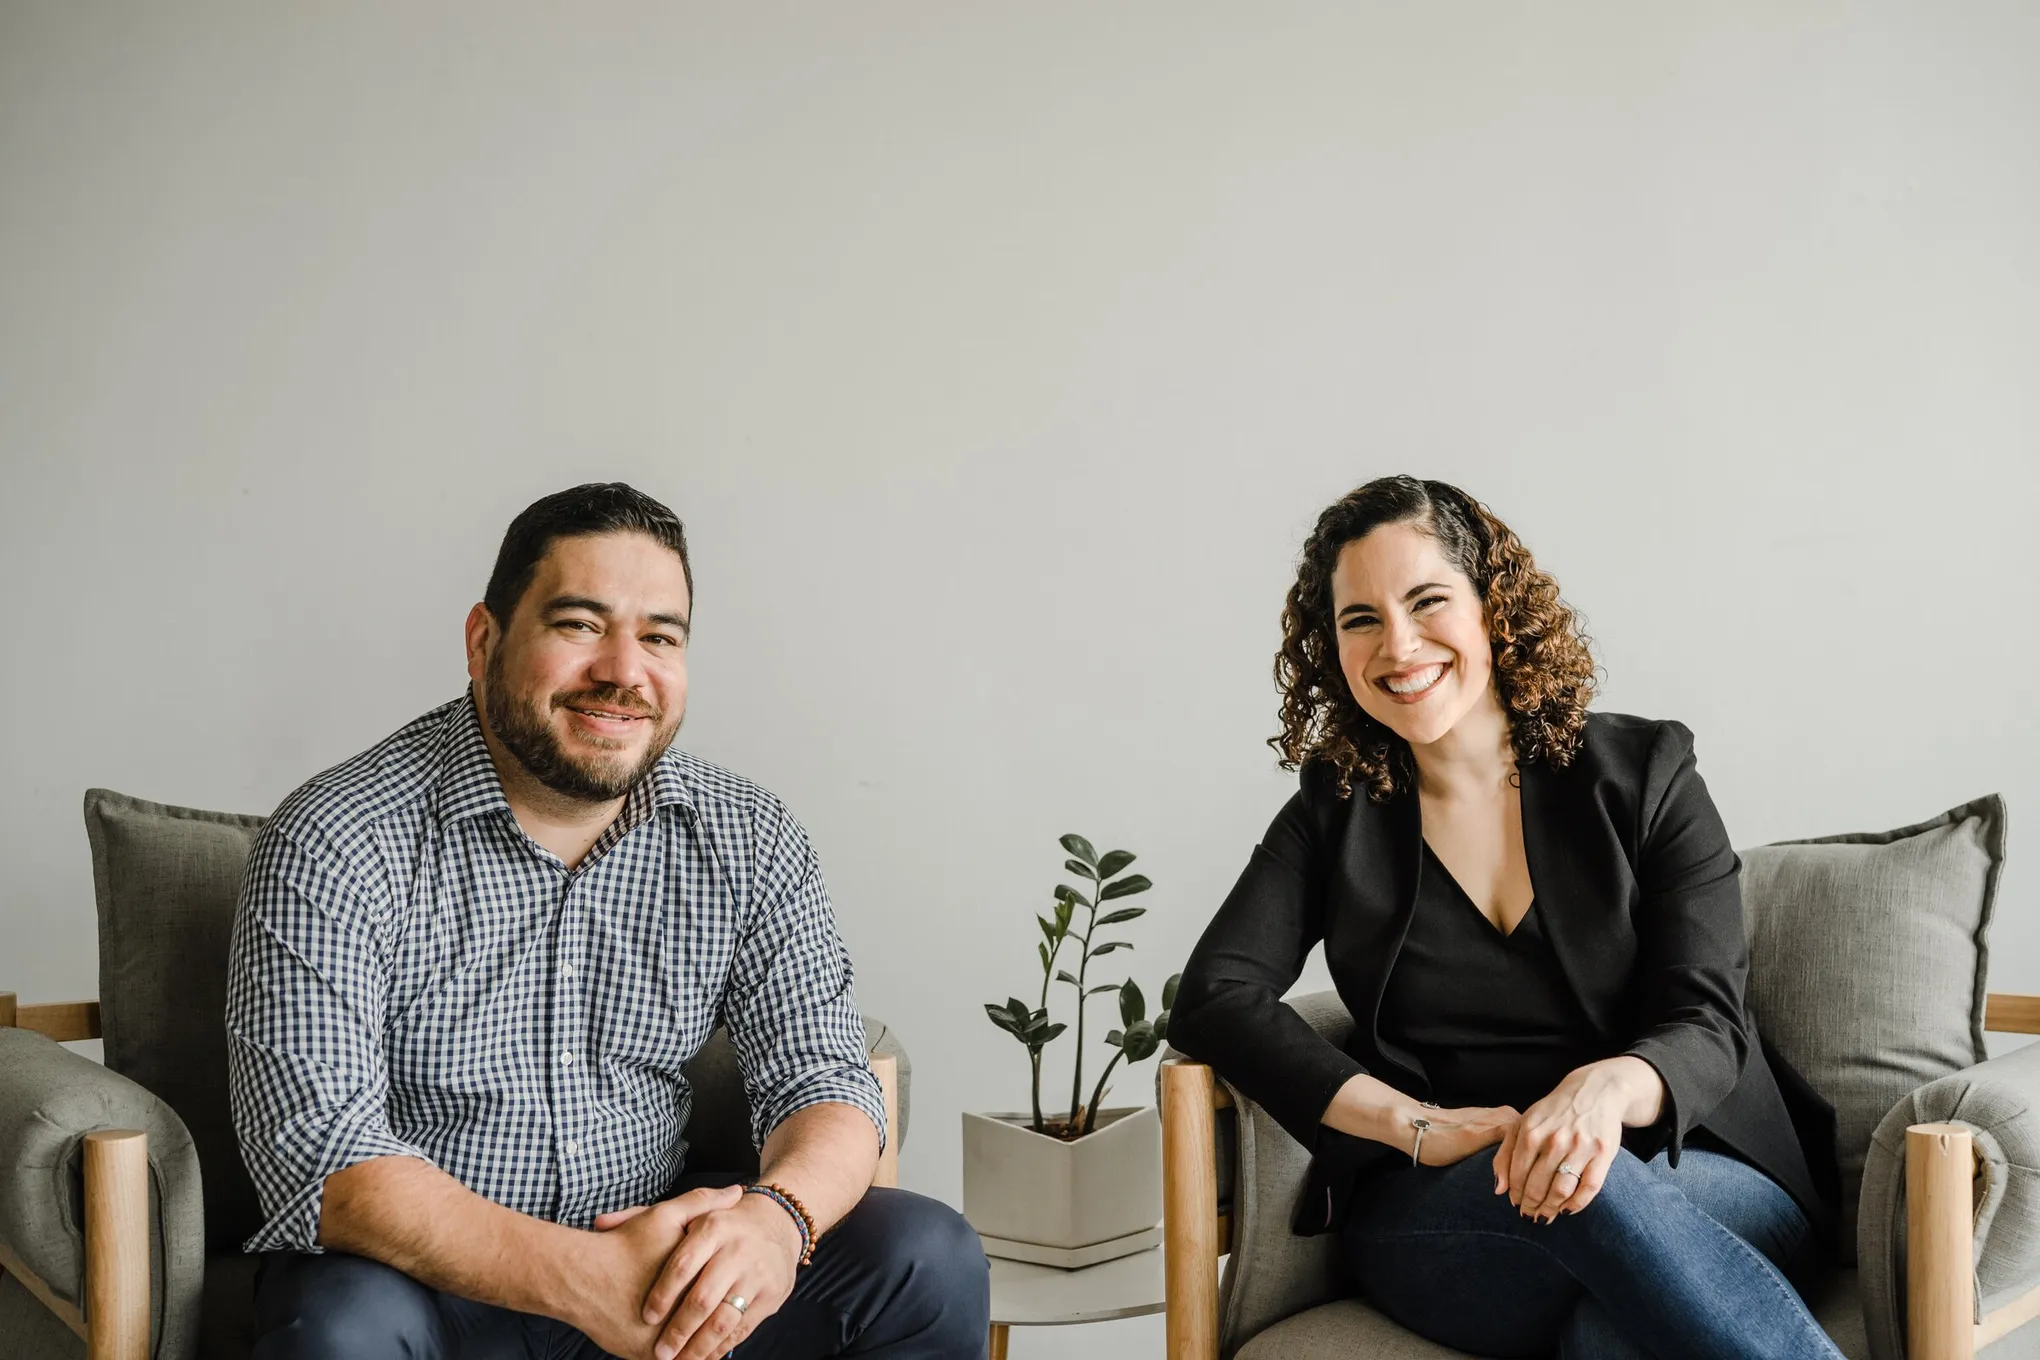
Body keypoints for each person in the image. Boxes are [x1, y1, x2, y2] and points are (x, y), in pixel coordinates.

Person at [226, 483, 989, 1360]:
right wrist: (586, 1278)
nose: (625, 671)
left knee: (927, 1258)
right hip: (425, 1285)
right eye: (580, 624)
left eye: (660, 637)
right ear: (483, 641)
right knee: (340, 1333)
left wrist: (776, 1222)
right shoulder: (337, 835)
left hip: (660, 1262)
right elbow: (321, 1154)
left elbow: (826, 1081)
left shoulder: (749, 837)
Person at [1167, 476, 1843, 1360]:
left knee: (1609, 1323)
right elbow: (1214, 995)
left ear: (1494, 605)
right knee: (1584, 1201)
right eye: (1361, 619)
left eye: (1427, 601)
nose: (1398, 645)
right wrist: (1410, 1122)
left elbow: (1707, 1019)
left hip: (1701, 1172)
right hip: (1456, 1214)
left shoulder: (1644, 773)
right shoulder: (1334, 813)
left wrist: (1601, 1093)